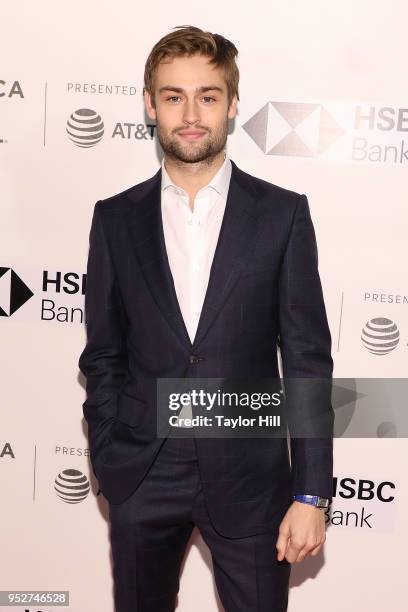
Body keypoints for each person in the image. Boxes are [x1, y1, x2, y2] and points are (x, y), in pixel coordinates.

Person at [78, 25, 334, 612]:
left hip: (250, 477)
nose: (191, 114)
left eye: (208, 96)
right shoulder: (114, 219)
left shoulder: (282, 215)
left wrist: (312, 492)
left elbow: (306, 361)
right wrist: (110, 453)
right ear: (150, 105)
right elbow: (104, 354)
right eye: (173, 96)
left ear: (232, 104)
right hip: (142, 471)